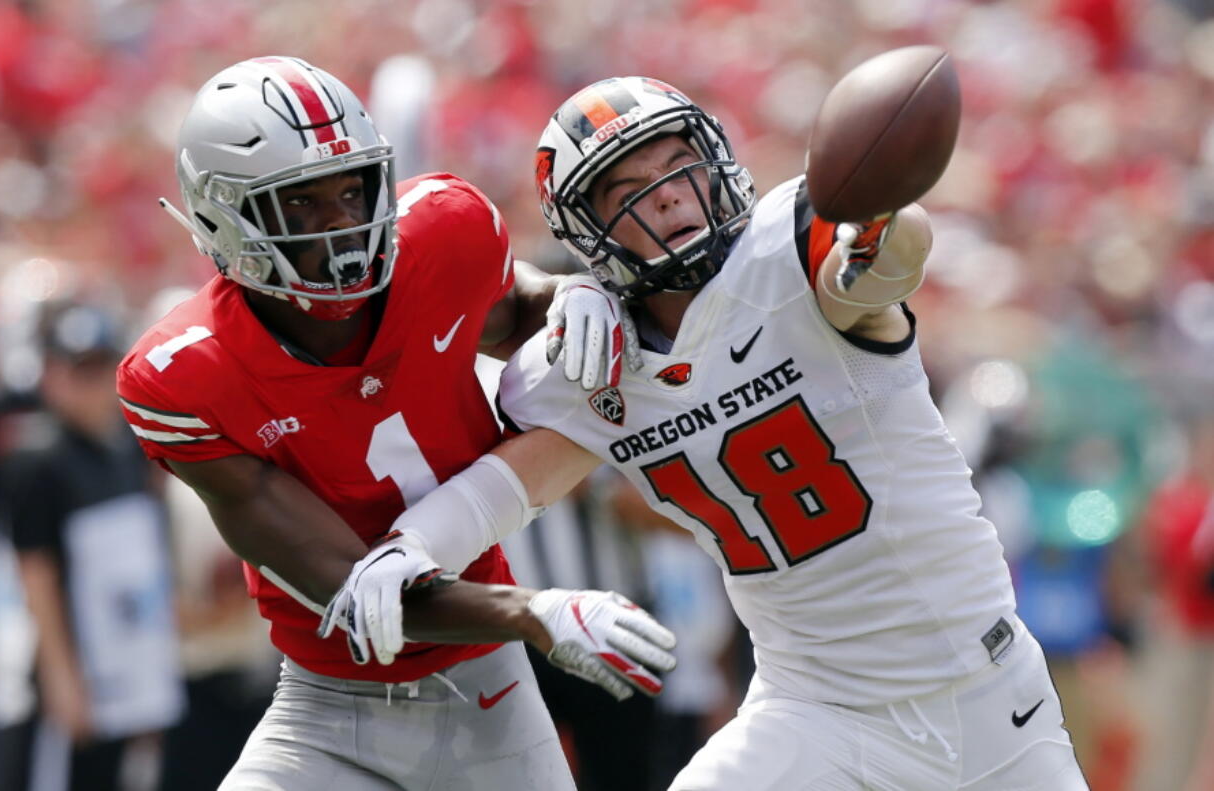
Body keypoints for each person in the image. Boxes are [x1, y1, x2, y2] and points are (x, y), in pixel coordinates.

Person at [332, 76, 1091, 790]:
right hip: (815, 708)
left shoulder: (792, 256)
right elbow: (508, 485)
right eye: (631, 191)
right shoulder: (595, 365)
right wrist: (410, 547)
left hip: (984, 685)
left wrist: (886, 217)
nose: (668, 199)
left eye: (680, 166)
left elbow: (888, 254)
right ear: (588, 231)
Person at [116, 57, 675, 790]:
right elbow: (361, 594)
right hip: (327, 712)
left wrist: (581, 298)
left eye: (352, 190)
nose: (345, 224)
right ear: (227, 217)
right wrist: (534, 610)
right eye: (302, 205)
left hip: (490, 696)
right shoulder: (185, 374)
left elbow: (522, 311)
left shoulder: (442, 233)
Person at [4, 301, 183, 790]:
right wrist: (63, 680)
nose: (92, 383)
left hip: (137, 657)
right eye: (78, 369)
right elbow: (35, 573)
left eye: (101, 366)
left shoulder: (130, 444)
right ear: (50, 373)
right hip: (81, 667)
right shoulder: (37, 459)